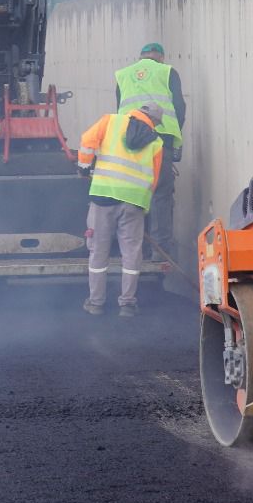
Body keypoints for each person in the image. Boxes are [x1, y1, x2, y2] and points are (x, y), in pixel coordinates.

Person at [76, 102, 165, 318]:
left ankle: (96, 303)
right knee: (132, 253)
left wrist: (84, 166)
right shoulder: (156, 141)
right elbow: (154, 177)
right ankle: (127, 304)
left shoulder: (111, 121)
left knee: (98, 250)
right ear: (153, 121)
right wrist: (143, 203)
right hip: (134, 202)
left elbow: (87, 141)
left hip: (103, 197)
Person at [114, 43, 186, 257]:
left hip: (131, 140)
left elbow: (119, 107)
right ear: (161, 57)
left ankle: (136, 249)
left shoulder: (123, 75)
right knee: (161, 193)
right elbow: (179, 109)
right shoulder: (168, 72)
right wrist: (175, 141)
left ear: (141, 57)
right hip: (160, 138)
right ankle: (160, 250)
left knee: (135, 192)